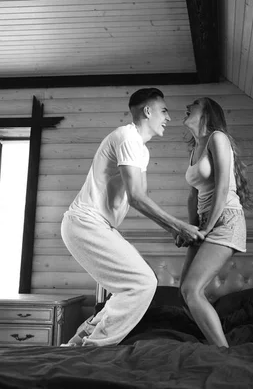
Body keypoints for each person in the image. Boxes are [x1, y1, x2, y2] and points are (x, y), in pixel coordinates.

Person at [61, 88, 205, 347]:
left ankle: (77, 346)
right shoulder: (127, 137)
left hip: (96, 225)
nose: (168, 118)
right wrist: (181, 225)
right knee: (143, 282)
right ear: (147, 111)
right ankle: (93, 348)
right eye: (164, 111)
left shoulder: (141, 149)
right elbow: (137, 197)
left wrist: (173, 231)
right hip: (85, 222)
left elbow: (142, 199)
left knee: (131, 285)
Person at [177, 97, 253, 348]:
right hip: (204, 222)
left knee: (191, 289)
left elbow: (222, 188)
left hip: (225, 220)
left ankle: (223, 352)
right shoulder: (195, 149)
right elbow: (194, 194)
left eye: (195, 103)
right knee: (184, 291)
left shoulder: (217, 138)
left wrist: (206, 229)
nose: (187, 105)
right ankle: (214, 340)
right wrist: (189, 229)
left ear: (207, 112)